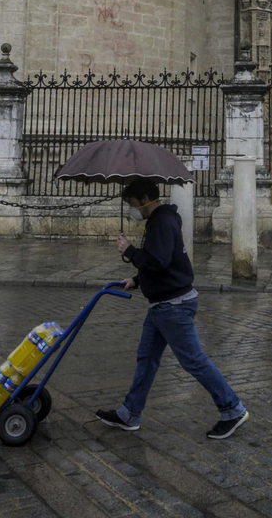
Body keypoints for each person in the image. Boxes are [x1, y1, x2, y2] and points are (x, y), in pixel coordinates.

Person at [94, 180, 250, 440]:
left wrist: (129, 251)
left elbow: (159, 261)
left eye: (133, 204)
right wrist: (137, 279)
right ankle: (130, 413)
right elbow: (164, 259)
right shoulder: (158, 221)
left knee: (193, 360)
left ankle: (232, 409)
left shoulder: (162, 222)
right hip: (161, 305)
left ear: (144, 198)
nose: (133, 210)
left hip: (173, 306)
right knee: (146, 358)